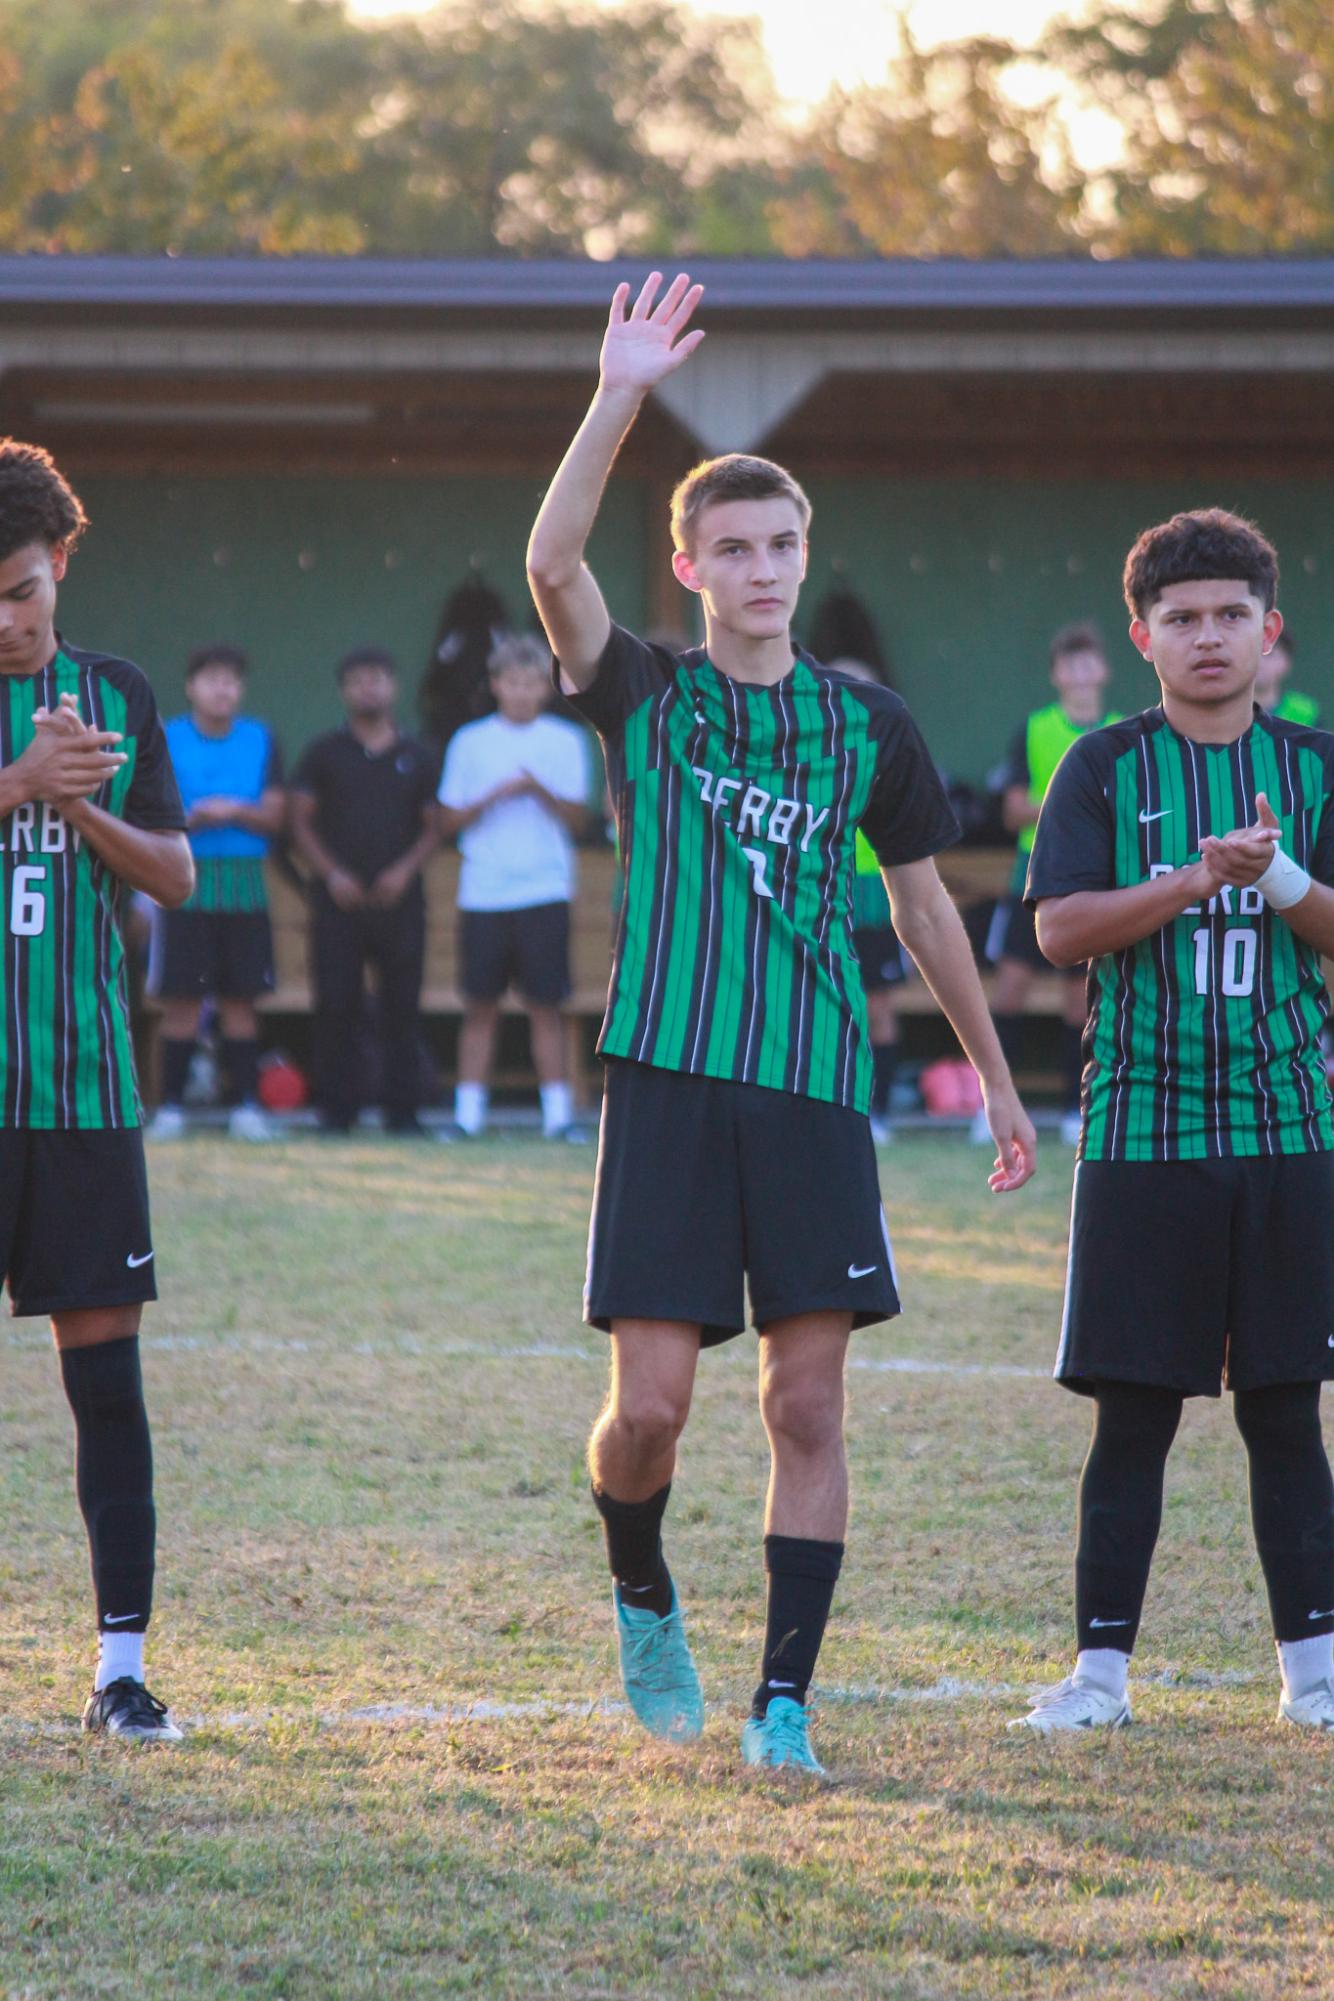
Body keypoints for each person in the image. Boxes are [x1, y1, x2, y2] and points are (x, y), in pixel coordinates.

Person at [527, 271, 1036, 1776]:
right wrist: (618, 391)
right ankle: (640, 1588)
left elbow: (929, 914)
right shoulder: (648, 698)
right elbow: (553, 561)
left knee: (806, 1402)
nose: (762, 567)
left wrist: (999, 1086)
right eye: (733, 547)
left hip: (814, 1092)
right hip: (671, 1081)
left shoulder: (866, 726)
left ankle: (785, 1704)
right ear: (688, 568)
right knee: (653, 1411)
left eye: (782, 544)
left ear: (805, 559)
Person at [1012, 507, 1334, 1735]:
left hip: (1288, 1134)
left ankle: (1310, 1678)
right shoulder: (1099, 766)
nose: (1207, 638)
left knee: (1283, 1413)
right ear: (1141, 634)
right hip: (1142, 1136)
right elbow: (1055, 931)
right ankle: (1098, 1678)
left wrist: (1281, 881)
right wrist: (1192, 881)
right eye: (1182, 619)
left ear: (1269, 630)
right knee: (1133, 1418)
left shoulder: (1314, 769)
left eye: (1229, 617)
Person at [0, 438, 194, 1740]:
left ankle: (119, 1670)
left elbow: (176, 874)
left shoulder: (114, 695)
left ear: (61, 563)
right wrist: (20, 781)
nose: (3, 619)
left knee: (106, 1389)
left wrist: (79, 811)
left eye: (18, 588)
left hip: (81, 1101)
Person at [437, 633, 590, 1139]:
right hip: (484, 891)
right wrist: (495, 795)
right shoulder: (470, 740)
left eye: (532, 682)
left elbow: (579, 820)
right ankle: (467, 1117)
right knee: (480, 1006)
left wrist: (538, 790)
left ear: (546, 688)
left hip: (545, 890)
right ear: (496, 685)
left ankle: (558, 1117)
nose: (522, 692)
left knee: (546, 1006)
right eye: (512, 682)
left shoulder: (565, 741)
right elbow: (448, 820)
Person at [290, 649, 440, 1135]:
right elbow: (299, 820)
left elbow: (435, 826)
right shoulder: (323, 752)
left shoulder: (417, 754)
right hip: (337, 902)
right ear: (344, 691)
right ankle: (336, 1113)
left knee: (402, 1007)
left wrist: (404, 871)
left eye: (377, 679)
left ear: (393, 687)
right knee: (336, 1006)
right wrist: (332, 874)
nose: (368, 689)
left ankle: (404, 1113)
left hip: (401, 902)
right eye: (357, 681)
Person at [982, 624, 1120, 1147]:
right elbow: (1013, 809)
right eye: (1070, 663)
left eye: (1090, 662)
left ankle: (1074, 1110)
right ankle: (992, 1107)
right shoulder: (1034, 729)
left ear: (1104, 670)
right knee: (1010, 990)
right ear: (1056, 675)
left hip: (1091, 882)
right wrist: (1067, 801)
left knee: (1080, 1002)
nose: (1081, 672)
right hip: (1031, 877)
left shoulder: (1120, 733)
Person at [148, 645, 284, 1141]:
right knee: (182, 1003)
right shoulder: (167, 738)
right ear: (191, 686)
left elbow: (274, 814)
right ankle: (172, 1109)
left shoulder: (261, 738)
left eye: (231, 680)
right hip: (186, 885)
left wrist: (232, 811)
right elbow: (151, 811)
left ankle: (247, 1108)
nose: (222, 689)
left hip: (245, 890)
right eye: (211, 679)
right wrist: (193, 818)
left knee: (241, 1003)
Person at [1254, 629, 1320, 725]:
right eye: (1253, 653)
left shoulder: (1305, 713)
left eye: (1268, 654)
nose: (1259, 662)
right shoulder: (1225, 710)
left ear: (1286, 663)